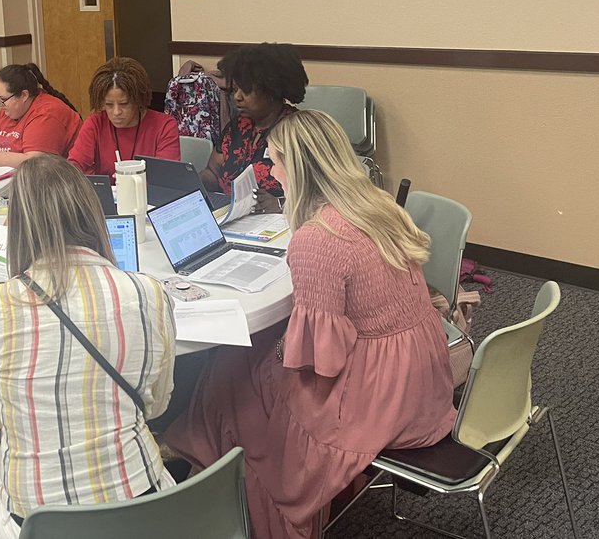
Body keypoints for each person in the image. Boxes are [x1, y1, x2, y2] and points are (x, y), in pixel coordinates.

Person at [165, 110, 456, 539]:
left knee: (236, 373)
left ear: (299, 167)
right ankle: (204, 461)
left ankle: (217, 483)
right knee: (247, 359)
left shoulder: (318, 239)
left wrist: (276, 352)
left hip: (380, 393)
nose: (271, 171)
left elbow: (323, 357)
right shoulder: (375, 206)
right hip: (423, 371)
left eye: (275, 162)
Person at [0, 155, 176, 539]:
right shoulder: (148, 294)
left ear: (17, 226)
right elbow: (157, 406)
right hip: (144, 511)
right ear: (92, 213)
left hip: (38, 526)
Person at [199, 43, 308, 213]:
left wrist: (281, 204)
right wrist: (196, 181)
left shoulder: (296, 131)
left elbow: (317, 192)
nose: (237, 97)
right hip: (228, 214)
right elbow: (213, 172)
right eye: (234, 89)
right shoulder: (236, 126)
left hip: (277, 221)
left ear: (272, 89)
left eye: (246, 90)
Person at [67, 56, 180, 177]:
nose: (116, 112)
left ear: (138, 100)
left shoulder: (164, 126)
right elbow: (74, 165)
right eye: (109, 105)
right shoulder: (96, 123)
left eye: (124, 104)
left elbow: (166, 178)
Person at [0, 64, 81, 167]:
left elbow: (34, 162)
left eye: (2, 99)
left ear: (24, 95)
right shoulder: (10, 108)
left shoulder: (48, 113)